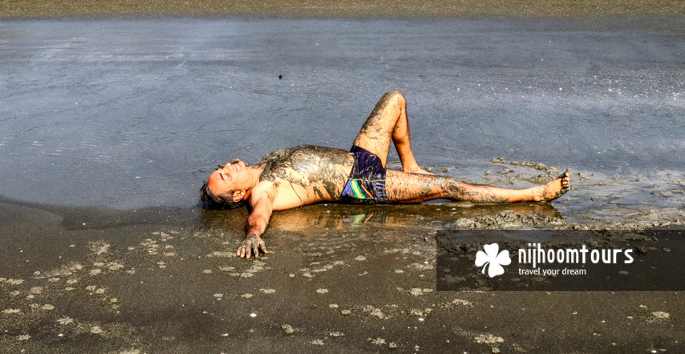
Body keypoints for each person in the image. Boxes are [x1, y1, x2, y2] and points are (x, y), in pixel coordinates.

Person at [201, 91, 570, 258]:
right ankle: (532, 194)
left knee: (395, 99)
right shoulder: (262, 189)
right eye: (225, 177)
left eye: (220, 168)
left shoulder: (262, 163)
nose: (226, 167)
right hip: (362, 183)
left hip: (359, 157)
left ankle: (410, 163)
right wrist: (252, 236)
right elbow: (259, 216)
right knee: (447, 187)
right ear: (236, 195)